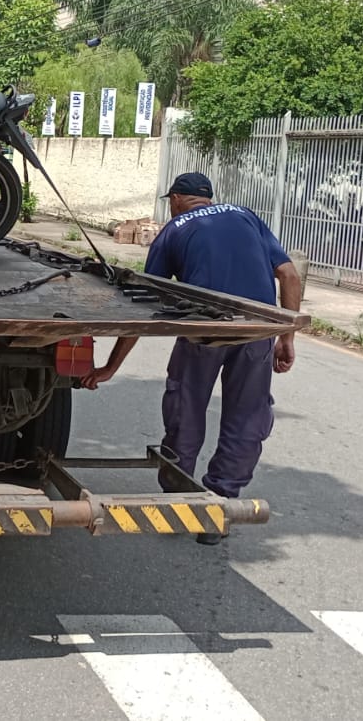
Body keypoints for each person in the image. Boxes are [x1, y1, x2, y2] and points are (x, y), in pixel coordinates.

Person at [81, 172, 302, 544]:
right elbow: (290, 275)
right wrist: (286, 337)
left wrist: (112, 366)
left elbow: (144, 302)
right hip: (255, 331)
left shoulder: (173, 229)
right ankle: (222, 504)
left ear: (178, 199)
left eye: (171, 200)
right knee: (247, 415)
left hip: (203, 331)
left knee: (185, 407)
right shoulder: (247, 216)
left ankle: (180, 499)